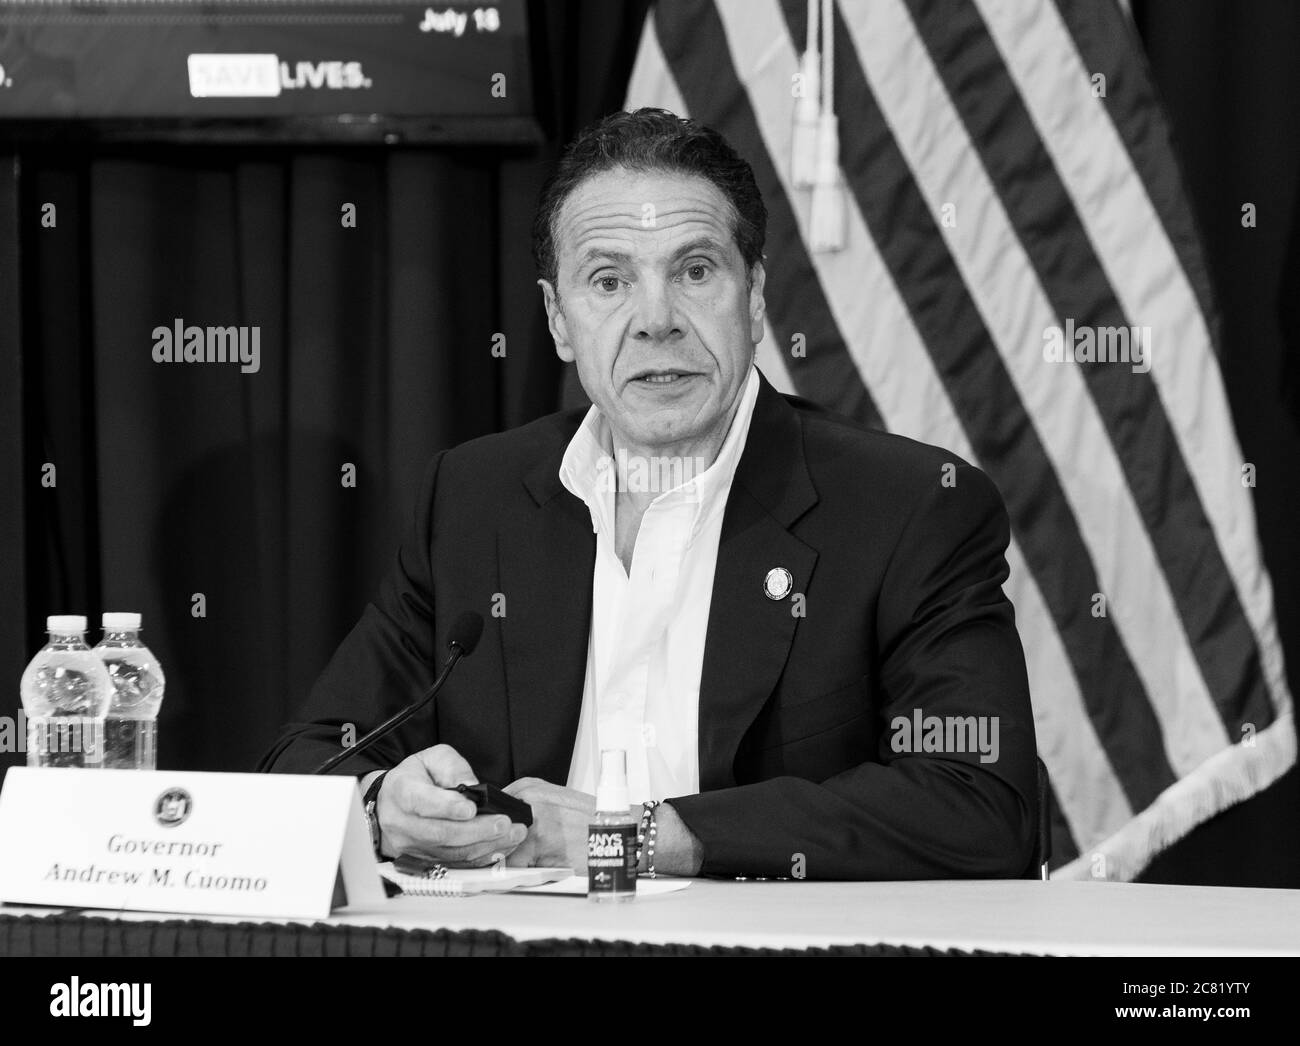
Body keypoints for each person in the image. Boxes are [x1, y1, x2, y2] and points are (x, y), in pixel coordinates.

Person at [259, 107, 1038, 880]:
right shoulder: (471, 499)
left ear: (756, 296)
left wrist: (626, 837)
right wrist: (378, 804)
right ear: (559, 320)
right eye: (609, 281)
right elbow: (309, 755)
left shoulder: (908, 508)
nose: (656, 320)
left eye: (695, 271)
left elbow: (977, 803)